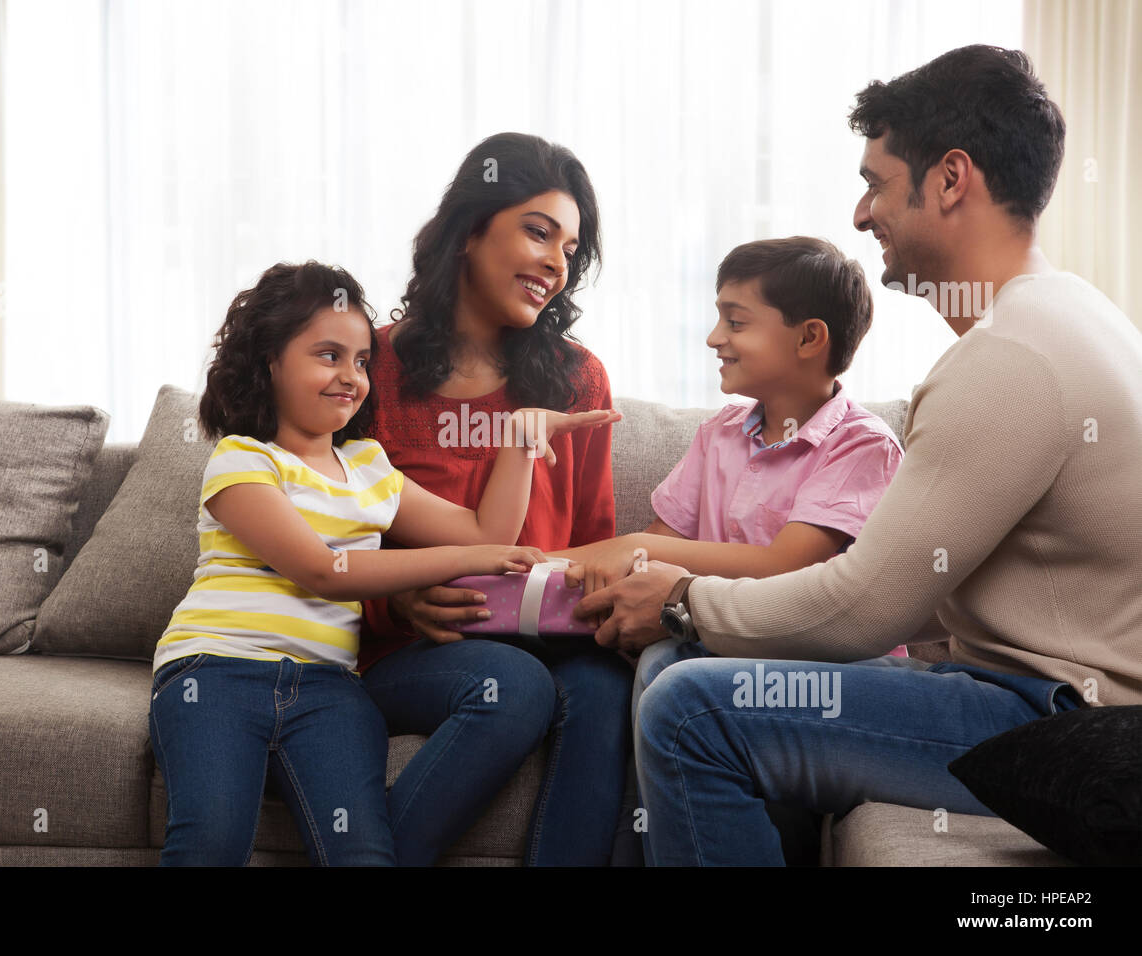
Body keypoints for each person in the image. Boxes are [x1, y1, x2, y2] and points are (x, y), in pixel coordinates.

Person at [576, 44, 1142, 865]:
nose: (860, 214)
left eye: (877, 183)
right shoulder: (1074, 316)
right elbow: (906, 590)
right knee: (690, 677)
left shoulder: (1011, 358)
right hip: (1050, 694)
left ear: (951, 180)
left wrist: (682, 601)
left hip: (1056, 718)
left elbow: (864, 609)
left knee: (690, 710)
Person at [149, 259, 615, 866]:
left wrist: (520, 442)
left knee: (365, 855)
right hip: (214, 672)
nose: (351, 376)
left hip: (328, 686)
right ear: (269, 360)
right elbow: (322, 570)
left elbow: (486, 530)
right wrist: (471, 557)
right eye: (327, 355)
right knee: (210, 842)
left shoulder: (369, 466)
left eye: (362, 360)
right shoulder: (242, 460)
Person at [557, 235, 905, 865]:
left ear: (809, 338)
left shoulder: (862, 446)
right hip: (725, 643)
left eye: (735, 321)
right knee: (650, 664)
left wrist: (637, 547)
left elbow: (787, 566)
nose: (715, 336)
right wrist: (562, 563)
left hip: (836, 665)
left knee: (671, 669)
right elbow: (666, 541)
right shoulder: (720, 433)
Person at [357, 131, 636, 866]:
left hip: (547, 637)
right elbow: (319, 536)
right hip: (414, 647)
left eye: (571, 250)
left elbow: (591, 536)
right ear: (469, 231)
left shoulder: (579, 383)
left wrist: (591, 587)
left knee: (609, 691)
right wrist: (400, 602)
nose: (555, 261)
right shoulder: (369, 372)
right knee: (507, 682)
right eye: (537, 231)